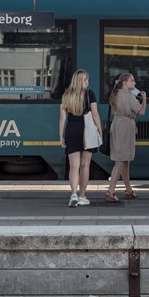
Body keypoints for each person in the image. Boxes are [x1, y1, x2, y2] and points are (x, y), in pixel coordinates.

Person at [59, 69, 101, 207]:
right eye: (85, 80)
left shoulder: (66, 95)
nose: (88, 82)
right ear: (81, 81)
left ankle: (73, 194)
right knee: (85, 165)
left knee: (74, 166)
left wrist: (61, 136)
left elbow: (62, 118)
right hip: (86, 131)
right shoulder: (90, 94)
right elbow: (95, 115)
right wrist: (99, 131)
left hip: (71, 130)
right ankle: (82, 196)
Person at [104, 73, 145, 202]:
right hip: (126, 127)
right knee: (121, 160)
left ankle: (128, 190)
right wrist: (144, 99)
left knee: (125, 159)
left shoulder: (116, 94)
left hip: (117, 124)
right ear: (124, 83)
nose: (134, 83)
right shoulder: (130, 96)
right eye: (132, 81)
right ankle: (110, 191)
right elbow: (142, 112)